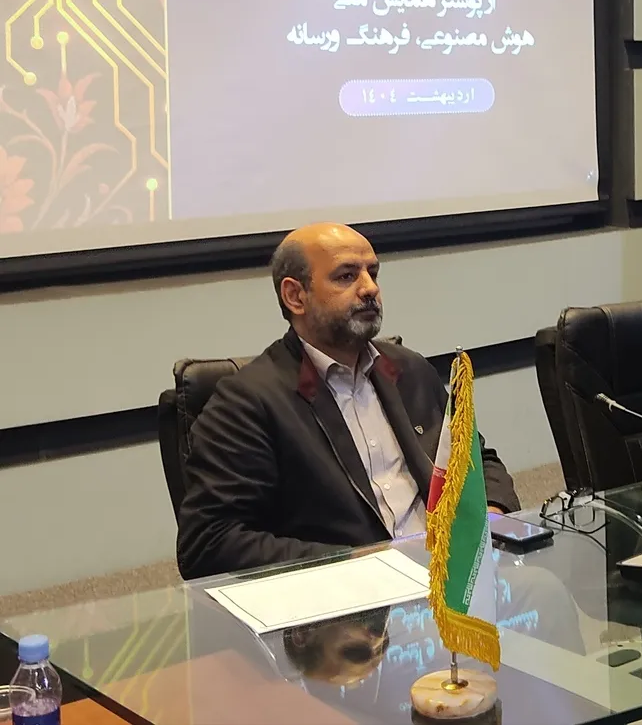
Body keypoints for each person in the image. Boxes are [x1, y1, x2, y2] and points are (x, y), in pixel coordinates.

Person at [176, 223, 520, 580]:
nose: (370, 288)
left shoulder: (409, 369)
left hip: (450, 573)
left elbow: (477, 460)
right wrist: (356, 561)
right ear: (295, 296)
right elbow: (209, 542)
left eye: (373, 273)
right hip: (352, 592)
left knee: (543, 588)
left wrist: (491, 513)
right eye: (346, 276)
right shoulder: (246, 402)